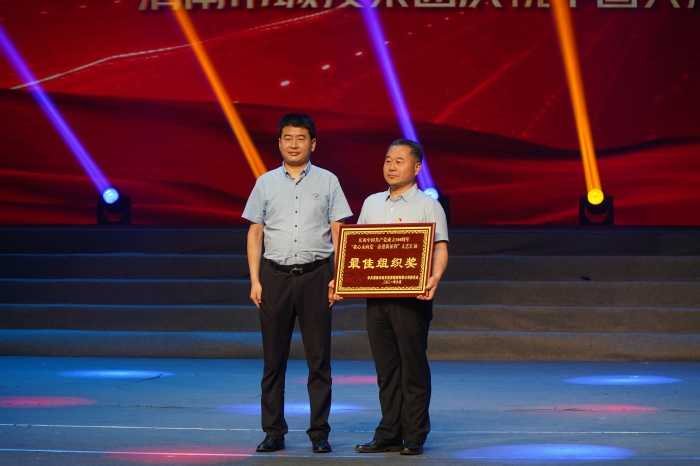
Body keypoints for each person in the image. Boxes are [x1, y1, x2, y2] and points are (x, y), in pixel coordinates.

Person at [242, 114, 352, 454]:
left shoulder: (328, 181)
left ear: (312, 144)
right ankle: (273, 432)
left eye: (301, 138)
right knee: (273, 362)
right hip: (274, 277)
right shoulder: (265, 183)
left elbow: (339, 232)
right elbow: (255, 232)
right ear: (279, 143)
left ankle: (319, 432)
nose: (294, 144)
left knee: (319, 361)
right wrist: (255, 280)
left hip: (317, 277)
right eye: (287, 138)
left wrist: (340, 278)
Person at [332, 138, 448, 456]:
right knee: (386, 371)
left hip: (412, 299)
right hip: (377, 300)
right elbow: (358, 249)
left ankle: (414, 434)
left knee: (413, 368)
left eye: (399, 160)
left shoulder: (428, 205)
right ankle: (389, 432)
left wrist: (435, 276)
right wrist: (340, 279)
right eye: (387, 160)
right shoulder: (372, 203)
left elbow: (439, 246)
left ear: (417, 167)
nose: (391, 166)